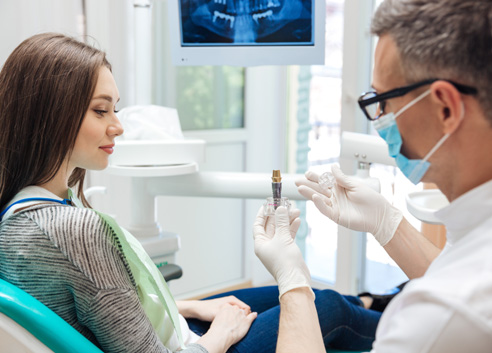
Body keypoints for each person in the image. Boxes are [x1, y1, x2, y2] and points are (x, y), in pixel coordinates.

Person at [0, 33, 387, 353]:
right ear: (50, 114)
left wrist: (191, 306)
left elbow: (101, 307)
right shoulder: (74, 230)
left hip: (171, 331)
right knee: (330, 308)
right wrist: (219, 335)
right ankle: (415, 321)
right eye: (101, 111)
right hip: (193, 348)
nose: (118, 126)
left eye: (115, 109)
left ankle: (379, 302)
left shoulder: (20, 211)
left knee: (325, 299)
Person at [254, 0, 492, 352]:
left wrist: (292, 283)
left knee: (331, 306)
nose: (380, 117)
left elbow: (457, 297)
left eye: (383, 100)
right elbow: (455, 270)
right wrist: (386, 222)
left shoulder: (445, 315)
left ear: (445, 106)